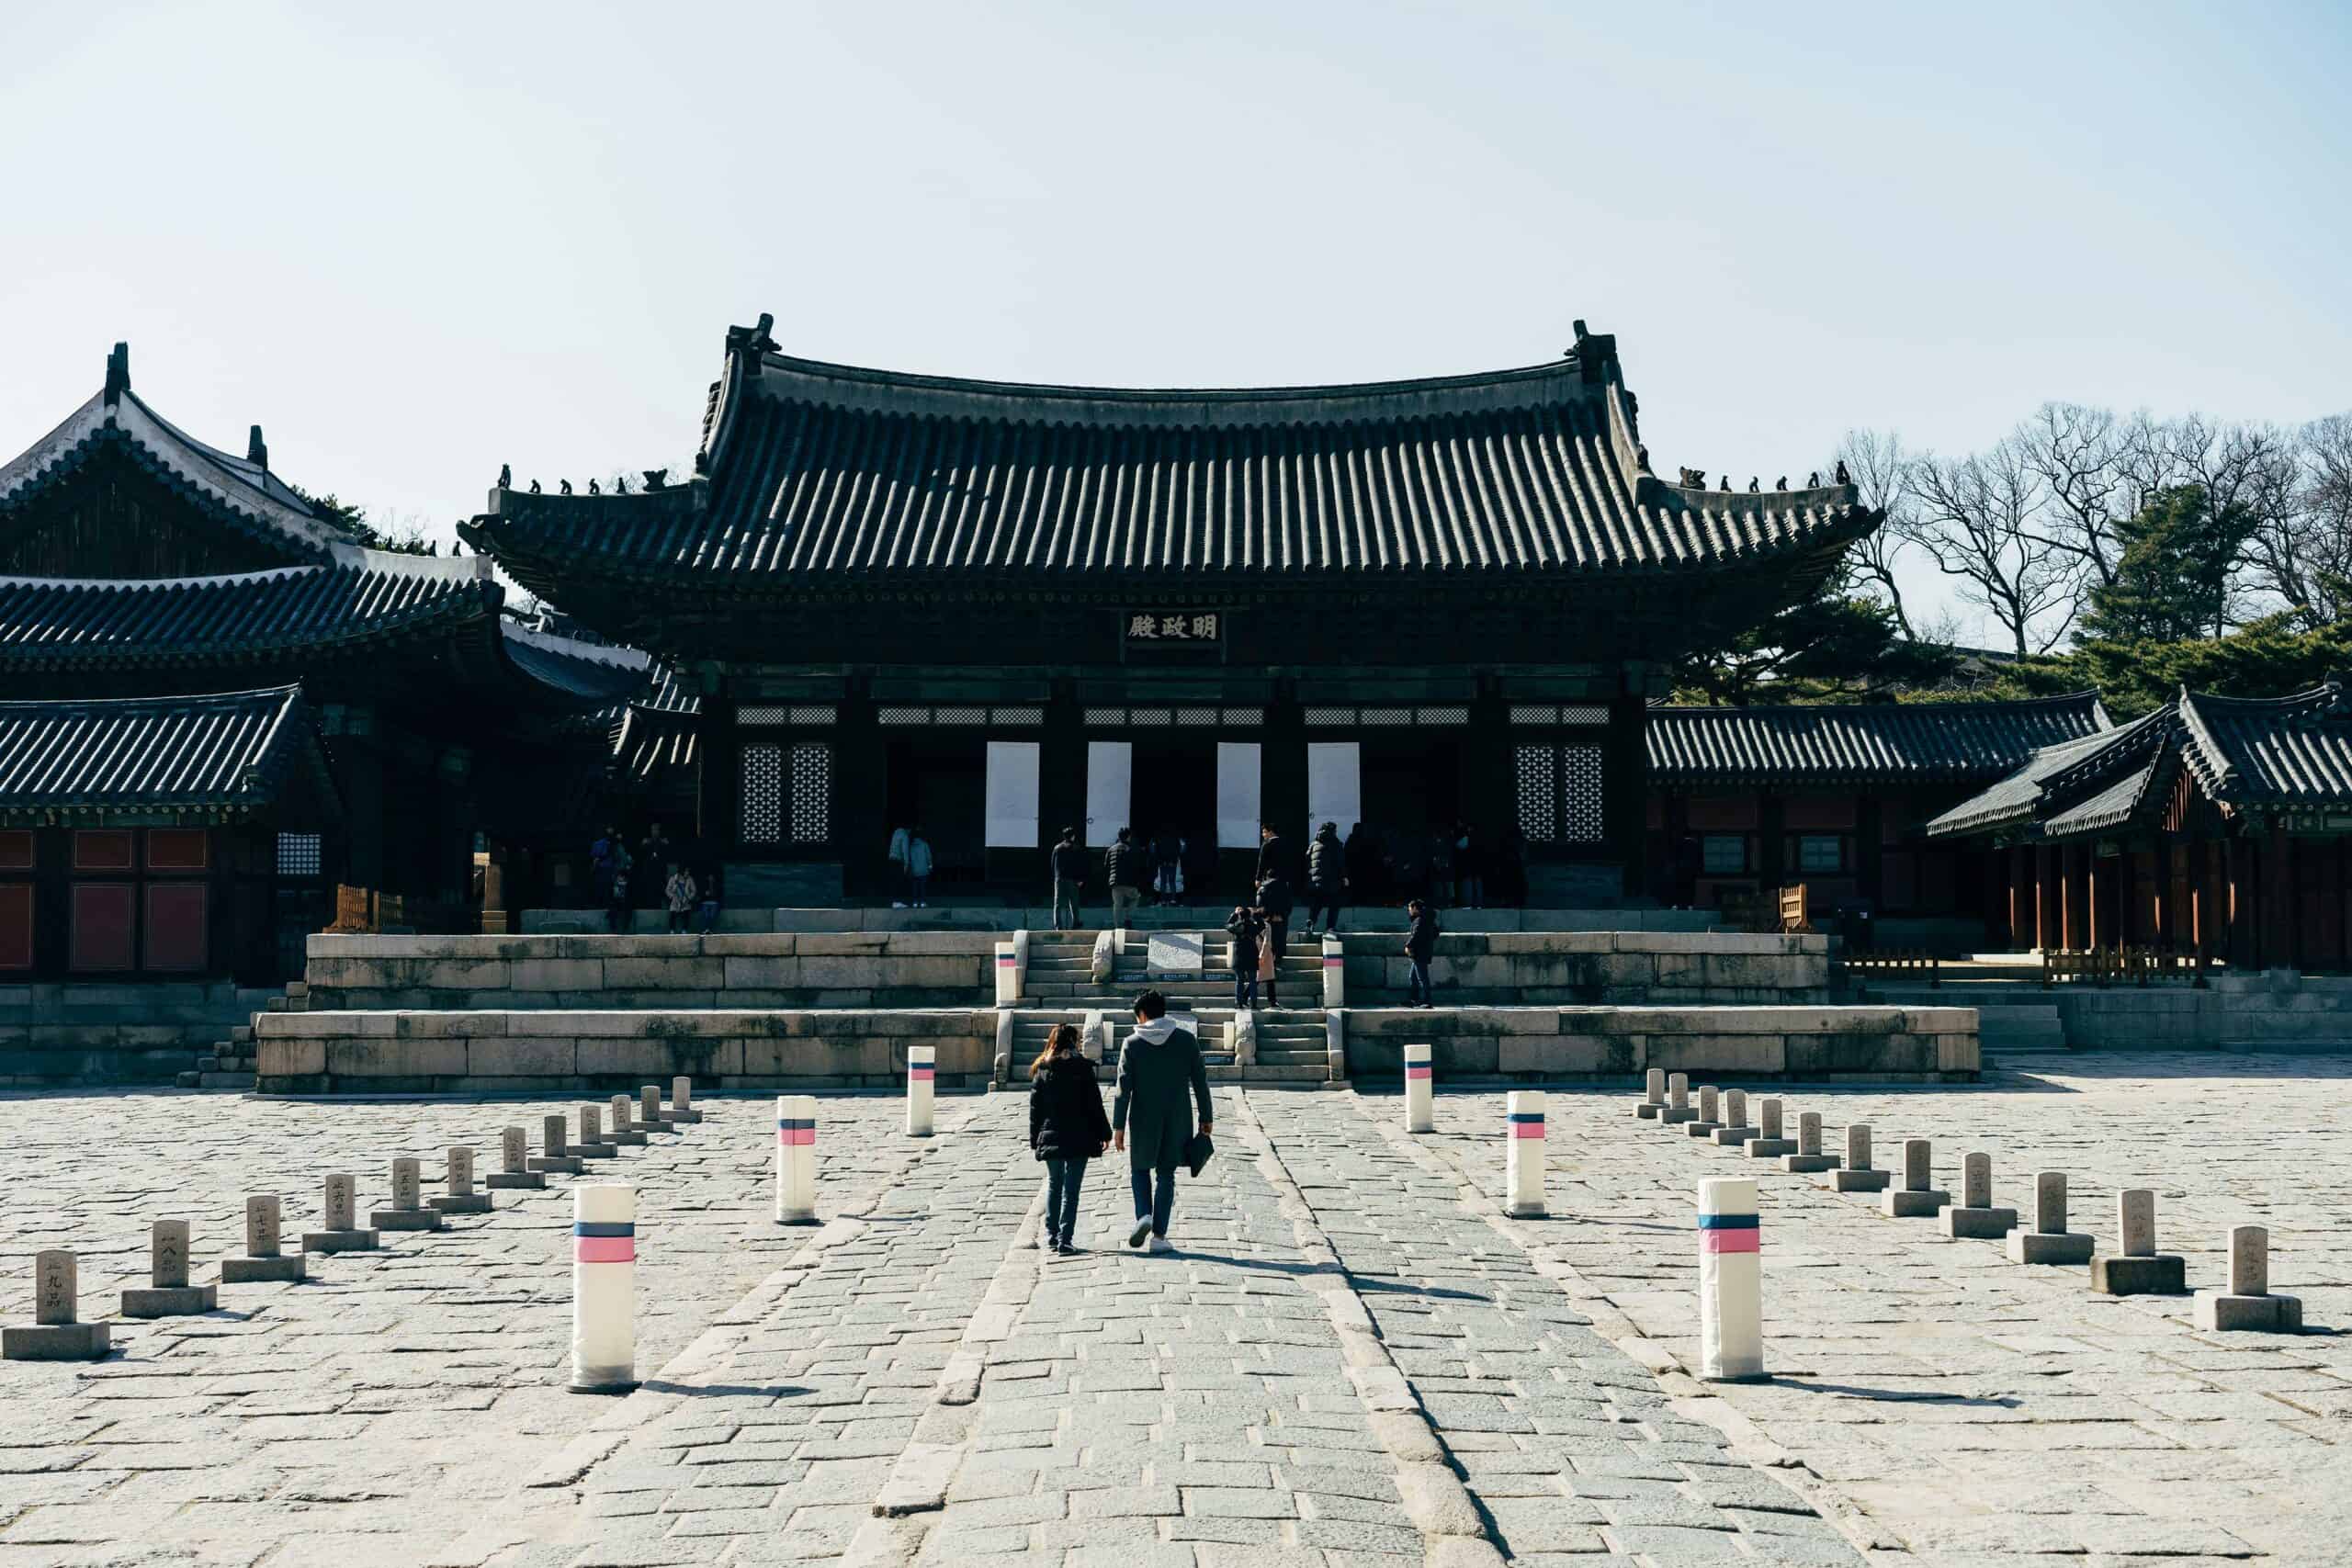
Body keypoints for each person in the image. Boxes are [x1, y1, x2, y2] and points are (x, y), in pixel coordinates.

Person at [1111, 989, 1212, 1252]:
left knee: (1140, 1169)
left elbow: (1123, 1089)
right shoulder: (1186, 1040)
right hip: (1177, 1118)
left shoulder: (1132, 1044)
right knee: (1166, 1174)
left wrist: (1118, 1126)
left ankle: (1143, 1213)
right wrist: (1206, 1116)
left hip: (1143, 1118)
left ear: (1142, 1014)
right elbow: (1200, 1081)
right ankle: (1159, 1236)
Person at [1028, 1021, 1112, 1255]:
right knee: (1071, 1190)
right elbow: (1095, 1105)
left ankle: (1052, 1236)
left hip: (1051, 1134)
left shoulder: (1043, 1069)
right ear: (1075, 1042)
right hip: (1080, 1135)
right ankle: (1065, 1239)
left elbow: (1036, 1109)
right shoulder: (1082, 1068)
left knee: (1055, 1185)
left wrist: (1036, 1139)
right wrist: (1104, 1133)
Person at [1306, 821, 1346, 936]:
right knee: (1334, 904)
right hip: (1331, 881)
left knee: (1316, 904)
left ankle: (1310, 922)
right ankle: (1330, 927)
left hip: (1315, 881)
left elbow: (1307, 860)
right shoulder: (1336, 843)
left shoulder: (1313, 844)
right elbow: (1340, 862)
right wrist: (1344, 876)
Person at [1255, 870, 1295, 978]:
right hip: (1281, 920)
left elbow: (1259, 905)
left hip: (1267, 921)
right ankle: (1277, 965)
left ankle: (1269, 969)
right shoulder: (1284, 887)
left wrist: (1268, 915)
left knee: (1268, 943)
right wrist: (1281, 915)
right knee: (1280, 941)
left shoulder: (1262, 888)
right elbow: (1289, 904)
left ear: (1266, 877)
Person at [1226, 903, 1264, 1010]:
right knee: (1252, 980)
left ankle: (1239, 1003)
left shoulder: (1238, 926)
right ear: (1249, 916)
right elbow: (1262, 925)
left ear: (1240, 916)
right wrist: (1255, 915)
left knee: (1239, 980)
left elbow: (1227, 925)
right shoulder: (1254, 926)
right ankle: (1253, 1003)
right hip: (1252, 956)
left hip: (1239, 956)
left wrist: (1234, 915)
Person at [1104, 827, 1144, 931]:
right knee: (1135, 898)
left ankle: (1117, 926)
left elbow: (1106, 866)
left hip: (1115, 882)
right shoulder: (1133, 849)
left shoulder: (1111, 849)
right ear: (1129, 837)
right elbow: (1137, 867)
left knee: (1117, 904)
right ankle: (1128, 919)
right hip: (1130, 882)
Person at [1405, 897, 1440, 1008]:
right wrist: (1427, 941)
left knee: (1422, 978)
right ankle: (1414, 1000)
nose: (1409, 911)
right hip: (1422, 951)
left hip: (1420, 953)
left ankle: (1427, 1001)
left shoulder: (1421, 920)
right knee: (1413, 977)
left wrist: (1408, 945)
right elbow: (1435, 933)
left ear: (1415, 908)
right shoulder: (1427, 918)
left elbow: (1417, 935)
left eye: (1410, 908)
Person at [1050, 827, 1087, 931]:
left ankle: (1058, 926)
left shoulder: (1057, 848)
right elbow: (1080, 866)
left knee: (1057, 904)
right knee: (1074, 902)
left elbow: (1053, 864)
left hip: (1059, 879)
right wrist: (1080, 879)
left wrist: (1056, 876)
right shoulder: (1076, 848)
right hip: (1072, 879)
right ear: (1073, 836)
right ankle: (1075, 923)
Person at [1345, 821, 1379, 906]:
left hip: (1353, 868)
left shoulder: (1350, 841)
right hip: (1362, 869)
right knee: (1361, 886)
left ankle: (1354, 901)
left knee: (1354, 887)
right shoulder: (1365, 841)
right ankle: (1361, 901)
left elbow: (1346, 855)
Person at [604, 842, 634, 933]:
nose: (620, 879)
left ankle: (624, 929)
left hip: (625, 902)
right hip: (616, 902)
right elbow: (610, 896)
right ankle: (613, 930)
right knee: (612, 911)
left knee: (627, 911)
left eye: (622, 877)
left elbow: (630, 896)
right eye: (619, 877)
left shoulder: (628, 885)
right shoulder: (614, 885)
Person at [1255, 823, 1294, 890]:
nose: (1263, 835)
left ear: (1271, 832)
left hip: (1270, 878)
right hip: (1283, 879)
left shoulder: (1266, 845)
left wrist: (1258, 879)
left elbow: (1261, 863)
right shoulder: (1285, 844)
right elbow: (1288, 862)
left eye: (1264, 832)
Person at [1453, 823, 1483, 909]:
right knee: (1477, 884)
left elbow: (1458, 846)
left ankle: (1468, 904)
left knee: (1468, 884)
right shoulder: (1479, 839)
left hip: (1468, 867)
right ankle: (1478, 904)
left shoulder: (1466, 839)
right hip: (1477, 866)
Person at [1152, 829, 1183, 906]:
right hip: (1172, 863)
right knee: (1172, 882)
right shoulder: (1176, 839)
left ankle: (1163, 900)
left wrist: (1160, 861)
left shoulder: (1159, 840)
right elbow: (1179, 851)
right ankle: (1173, 900)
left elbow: (1156, 851)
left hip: (1163, 863)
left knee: (1163, 882)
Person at [663, 863, 695, 933]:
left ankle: (684, 930)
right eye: (686, 871)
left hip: (685, 902)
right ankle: (672, 930)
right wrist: (671, 896)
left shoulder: (690, 879)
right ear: (682, 871)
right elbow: (667, 890)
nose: (687, 872)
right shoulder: (673, 879)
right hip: (675, 901)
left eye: (688, 871)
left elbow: (694, 890)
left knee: (686, 914)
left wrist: (689, 898)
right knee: (672, 915)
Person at [905, 825, 933, 908]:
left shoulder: (911, 847)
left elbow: (908, 858)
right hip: (923, 869)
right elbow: (929, 856)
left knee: (915, 887)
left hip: (914, 870)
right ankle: (923, 902)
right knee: (922, 887)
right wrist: (930, 865)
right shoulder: (924, 844)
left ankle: (915, 902)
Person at [887, 824, 912, 907]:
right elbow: (905, 850)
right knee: (899, 881)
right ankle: (897, 902)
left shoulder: (895, 833)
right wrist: (907, 864)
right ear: (908, 830)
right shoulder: (904, 835)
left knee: (894, 882)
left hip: (891, 859)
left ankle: (894, 901)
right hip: (898, 860)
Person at [695, 865, 722, 935]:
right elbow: (700, 894)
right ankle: (706, 929)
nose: (711, 878)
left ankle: (709, 929)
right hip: (705, 902)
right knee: (706, 916)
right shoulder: (704, 884)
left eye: (712, 877)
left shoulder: (717, 885)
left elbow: (719, 894)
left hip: (714, 902)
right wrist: (704, 893)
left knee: (712, 916)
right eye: (709, 877)